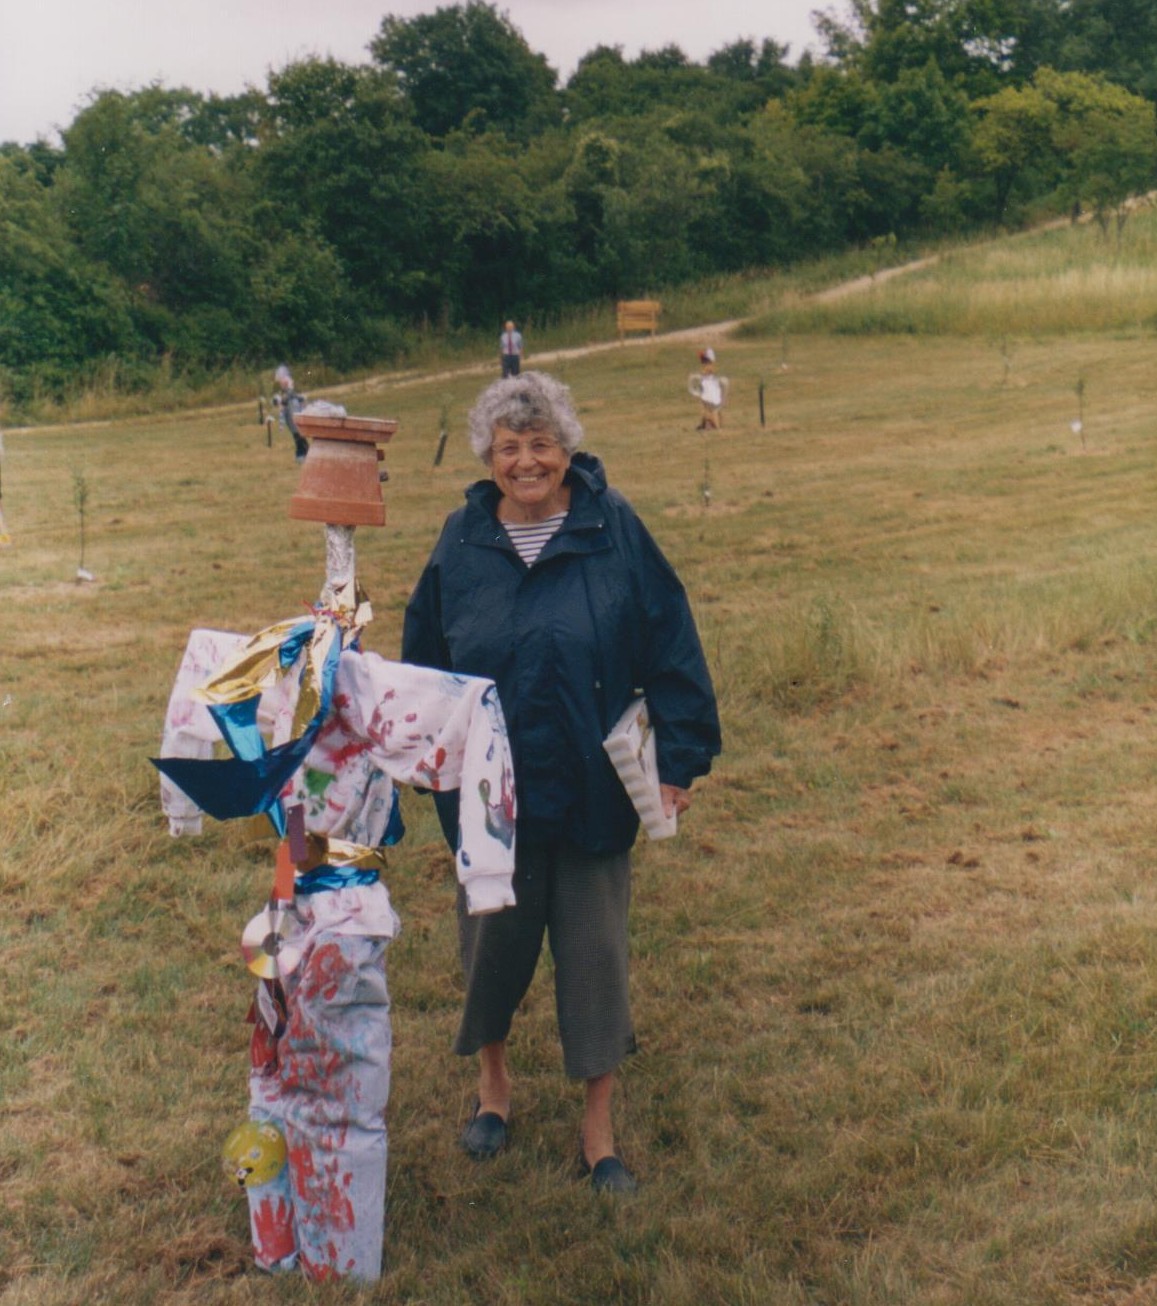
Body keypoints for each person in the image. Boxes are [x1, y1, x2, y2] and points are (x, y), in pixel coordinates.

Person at [402, 371, 721, 1194]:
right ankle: (493, 1090)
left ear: (566, 449)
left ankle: (598, 1129)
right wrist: (418, 752)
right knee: (492, 953)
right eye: (508, 448)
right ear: (489, 458)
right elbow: (424, 661)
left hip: (592, 785)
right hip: (489, 798)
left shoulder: (611, 527)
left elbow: (669, 636)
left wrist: (679, 757)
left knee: (593, 958)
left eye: (540, 444)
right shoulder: (460, 541)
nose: (526, 462)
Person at [274, 364, 309, 461]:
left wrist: (283, 400)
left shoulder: (290, 388)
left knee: (298, 435)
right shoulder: (284, 391)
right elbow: (280, 399)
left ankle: (303, 453)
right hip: (290, 414)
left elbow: (291, 395)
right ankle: (302, 453)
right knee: (296, 435)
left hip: (294, 413)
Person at [689, 347, 728, 431]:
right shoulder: (707, 367)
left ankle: (717, 427)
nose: (703, 363)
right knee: (705, 410)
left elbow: (709, 372)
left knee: (713, 411)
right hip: (707, 393)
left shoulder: (710, 367)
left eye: (705, 360)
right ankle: (705, 425)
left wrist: (703, 373)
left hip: (711, 395)